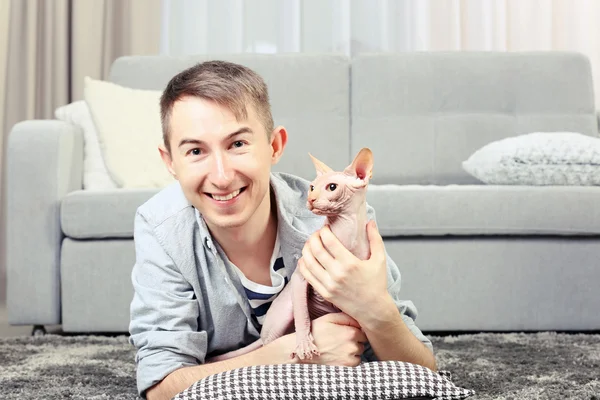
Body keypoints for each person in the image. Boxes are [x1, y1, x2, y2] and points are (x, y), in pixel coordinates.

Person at [128, 60, 436, 400]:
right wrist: (289, 357)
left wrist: (374, 307)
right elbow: (159, 387)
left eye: (238, 144)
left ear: (275, 146)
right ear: (170, 161)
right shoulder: (161, 229)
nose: (221, 175)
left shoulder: (337, 217)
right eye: (196, 151)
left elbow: (423, 371)